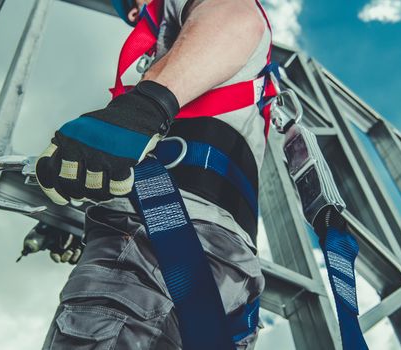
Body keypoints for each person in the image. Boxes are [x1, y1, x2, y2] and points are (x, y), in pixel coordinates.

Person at [36, 0, 273, 348]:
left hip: (159, 238)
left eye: (128, 2)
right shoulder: (182, 53)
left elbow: (234, 15)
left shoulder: (191, 25)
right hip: (220, 259)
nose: (131, 13)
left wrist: (144, 105)